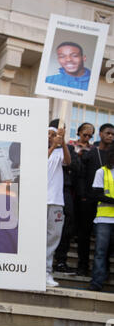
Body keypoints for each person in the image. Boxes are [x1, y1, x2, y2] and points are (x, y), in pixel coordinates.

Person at [77, 123, 114, 276]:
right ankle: (82, 266)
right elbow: (81, 175)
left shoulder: (112, 155)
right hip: (89, 201)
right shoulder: (91, 153)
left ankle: (103, 270)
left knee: (105, 241)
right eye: (108, 133)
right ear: (100, 134)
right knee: (84, 235)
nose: (110, 136)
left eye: (113, 134)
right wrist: (83, 196)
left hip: (106, 204)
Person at [46, 119, 71, 287]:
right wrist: (54, 145)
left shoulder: (60, 152)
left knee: (53, 237)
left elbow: (68, 162)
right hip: (37, 200)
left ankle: (46, 272)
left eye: (55, 135)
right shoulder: (37, 150)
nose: (52, 137)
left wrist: (63, 144)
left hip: (55, 201)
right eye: (50, 134)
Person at [89, 142, 114, 291]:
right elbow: (96, 195)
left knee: (101, 253)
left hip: (106, 220)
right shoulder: (101, 172)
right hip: (103, 219)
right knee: (100, 252)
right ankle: (96, 283)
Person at [54, 142, 80, 274]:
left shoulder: (68, 148)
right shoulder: (40, 144)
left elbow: (75, 166)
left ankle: (60, 261)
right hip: (44, 189)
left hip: (64, 189)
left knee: (67, 224)